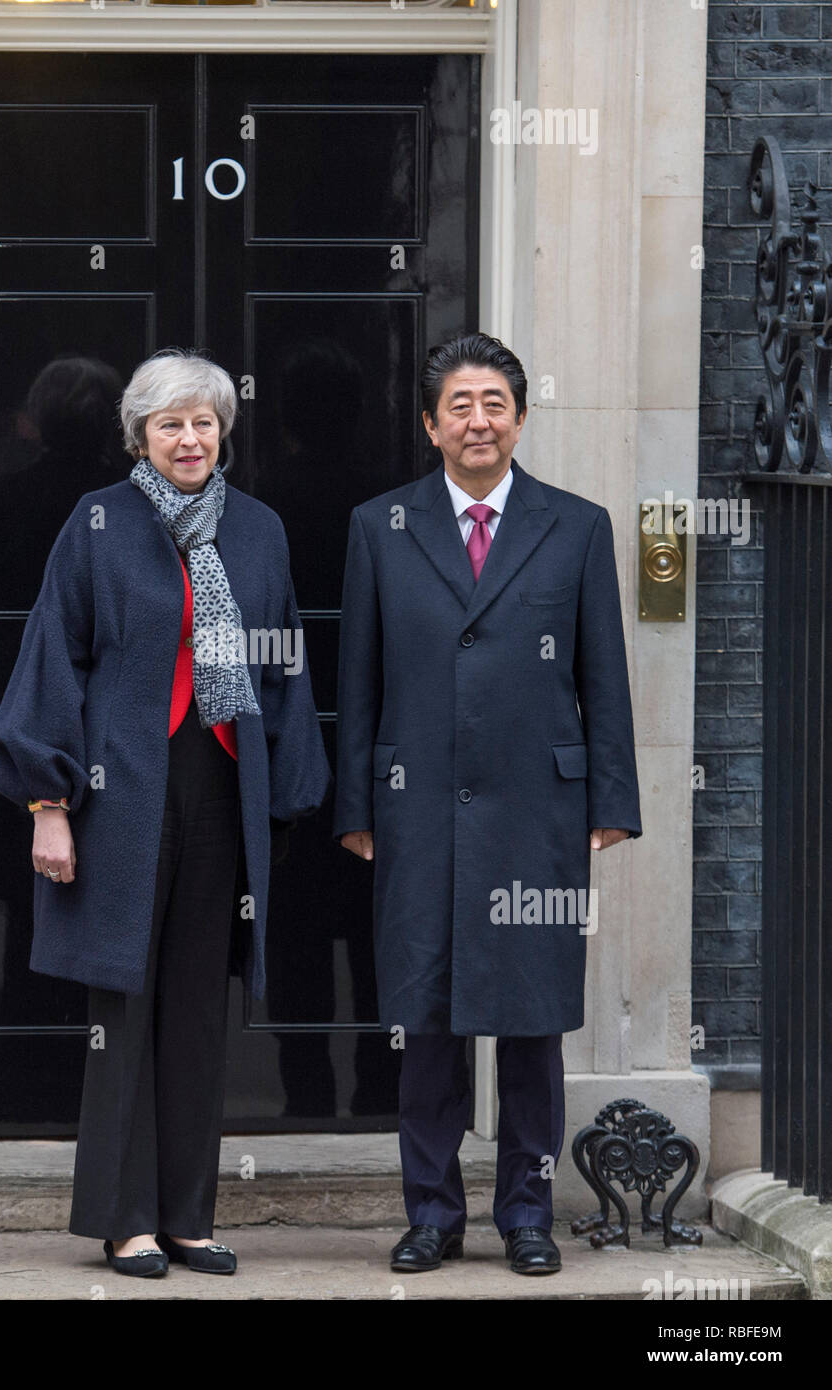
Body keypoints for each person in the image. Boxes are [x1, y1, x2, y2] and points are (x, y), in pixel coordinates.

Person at [0, 348, 330, 1277]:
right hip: (120, 792)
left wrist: (293, 796)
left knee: (195, 1010)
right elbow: (52, 658)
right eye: (170, 423)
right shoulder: (98, 523)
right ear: (140, 435)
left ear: (225, 432)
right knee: (123, 1006)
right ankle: (124, 1217)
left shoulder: (258, 530)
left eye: (204, 422)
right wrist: (47, 803)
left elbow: (284, 668)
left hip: (222, 788)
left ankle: (187, 1215)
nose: (189, 438)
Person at [333, 331, 642, 1276]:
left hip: (538, 814)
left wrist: (612, 799)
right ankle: (431, 1214)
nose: (478, 420)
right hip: (416, 807)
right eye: (459, 405)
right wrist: (356, 805)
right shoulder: (378, 526)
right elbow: (360, 678)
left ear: (519, 416)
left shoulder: (577, 525)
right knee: (424, 1026)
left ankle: (527, 1214)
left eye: (494, 403)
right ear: (431, 424)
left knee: (531, 1022)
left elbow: (605, 676)